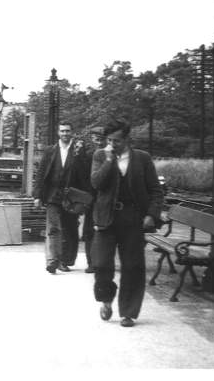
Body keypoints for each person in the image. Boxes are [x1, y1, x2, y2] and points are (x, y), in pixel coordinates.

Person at [90, 118, 164, 327]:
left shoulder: (142, 158)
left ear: (127, 139)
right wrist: (108, 161)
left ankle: (128, 313)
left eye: (117, 141)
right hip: (106, 218)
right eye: (110, 140)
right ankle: (106, 299)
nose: (113, 144)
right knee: (102, 264)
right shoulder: (99, 155)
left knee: (132, 266)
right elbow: (96, 183)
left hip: (132, 218)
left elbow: (156, 191)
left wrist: (151, 214)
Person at [33, 121, 91, 274]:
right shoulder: (50, 151)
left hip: (72, 197)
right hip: (53, 195)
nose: (65, 134)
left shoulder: (78, 151)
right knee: (53, 228)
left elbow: (85, 174)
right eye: (63, 131)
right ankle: (53, 261)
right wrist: (37, 195)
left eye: (68, 131)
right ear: (58, 133)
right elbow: (41, 174)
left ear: (72, 133)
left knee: (70, 228)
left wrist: (85, 198)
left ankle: (65, 260)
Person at [81, 126, 107, 273]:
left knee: (106, 232)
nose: (99, 140)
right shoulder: (87, 155)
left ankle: (103, 261)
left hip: (107, 199)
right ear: (92, 138)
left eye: (102, 137)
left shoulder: (112, 154)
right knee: (89, 231)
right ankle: (91, 263)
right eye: (96, 137)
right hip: (91, 198)